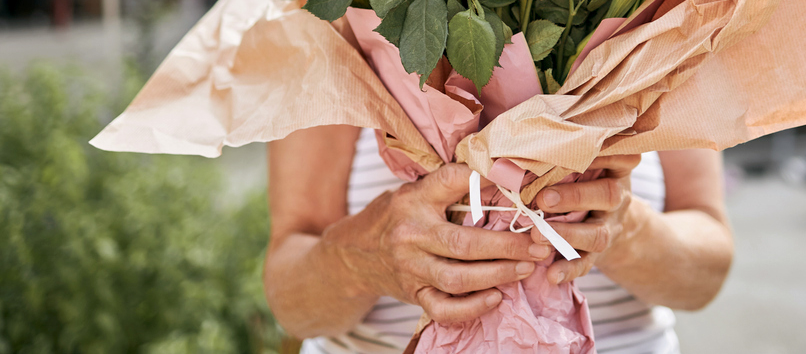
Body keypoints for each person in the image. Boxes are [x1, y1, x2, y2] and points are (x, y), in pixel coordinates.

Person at [265, 124, 734, 353]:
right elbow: (289, 298)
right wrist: (360, 260)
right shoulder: (335, 9)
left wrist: (623, 230)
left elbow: (707, 274)